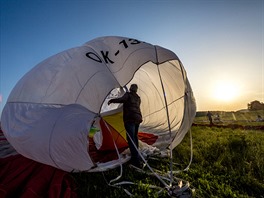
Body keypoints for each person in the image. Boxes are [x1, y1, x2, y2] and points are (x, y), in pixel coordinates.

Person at [108, 84, 143, 168]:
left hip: (130, 118)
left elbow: (121, 99)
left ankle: (135, 160)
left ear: (130, 89)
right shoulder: (138, 98)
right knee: (134, 137)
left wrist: (111, 100)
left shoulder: (128, 95)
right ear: (136, 90)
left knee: (130, 139)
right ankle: (136, 154)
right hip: (138, 118)